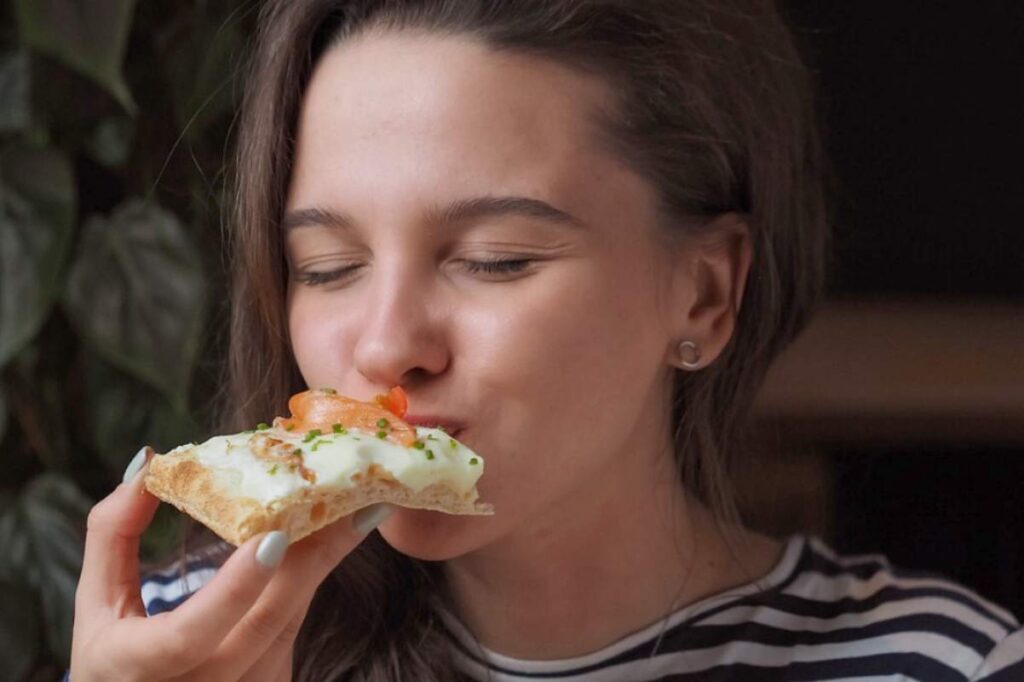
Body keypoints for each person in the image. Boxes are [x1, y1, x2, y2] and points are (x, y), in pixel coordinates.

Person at [68, 1, 1024, 680]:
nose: (387, 346)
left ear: (703, 293)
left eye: (496, 259)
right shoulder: (181, 642)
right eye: (326, 266)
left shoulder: (946, 665)